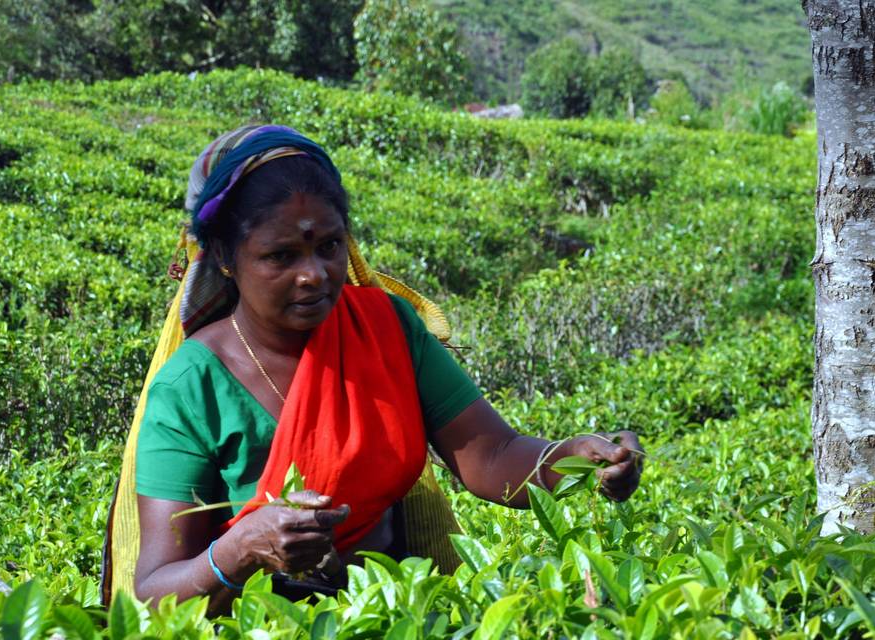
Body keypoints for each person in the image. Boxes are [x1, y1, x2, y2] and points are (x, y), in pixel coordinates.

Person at [130, 125, 643, 610]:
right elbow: (153, 592)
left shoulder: (384, 327)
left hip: (392, 612)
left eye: (328, 247)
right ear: (224, 256)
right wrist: (240, 550)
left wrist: (573, 459)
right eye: (281, 255)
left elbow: (492, 454)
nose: (313, 274)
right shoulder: (191, 385)